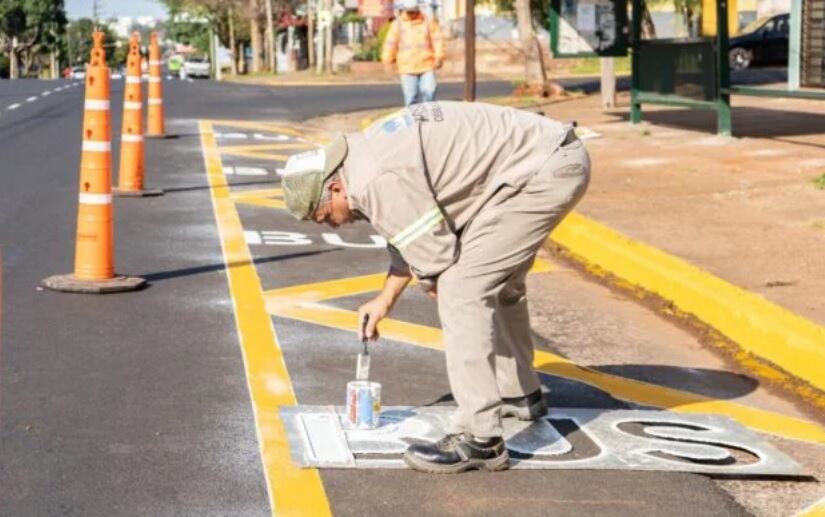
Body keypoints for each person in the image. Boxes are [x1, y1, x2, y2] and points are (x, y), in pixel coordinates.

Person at [281, 101, 590, 474]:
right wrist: (384, 300)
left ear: (334, 186)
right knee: (499, 284)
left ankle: (481, 438)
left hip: (542, 173)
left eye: (325, 216)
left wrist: (453, 303)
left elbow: (437, 262)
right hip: (545, 159)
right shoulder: (361, 159)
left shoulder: (372, 180)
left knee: (462, 290)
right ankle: (519, 394)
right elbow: (409, 231)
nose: (333, 226)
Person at [381, 0, 444, 106]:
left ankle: (429, 120)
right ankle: (414, 120)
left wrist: (439, 57)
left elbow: (437, 40)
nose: (411, 14)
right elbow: (390, 44)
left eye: (413, 11)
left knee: (429, 94)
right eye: (409, 11)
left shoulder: (428, 22)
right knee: (411, 97)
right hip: (407, 68)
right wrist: (387, 60)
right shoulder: (398, 25)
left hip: (426, 65)